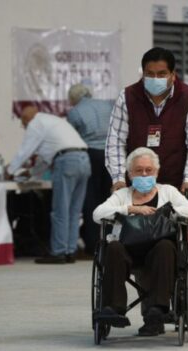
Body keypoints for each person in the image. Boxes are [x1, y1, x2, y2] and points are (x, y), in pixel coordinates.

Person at [93, 147, 188, 336]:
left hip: (160, 254)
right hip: (129, 250)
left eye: (148, 170)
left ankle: (157, 309)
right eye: (138, 170)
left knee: (166, 246)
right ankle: (114, 308)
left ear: (156, 172)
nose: (144, 174)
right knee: (113, 248)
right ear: (129, 174)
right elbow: (97, 214)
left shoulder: (168, 192)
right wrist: (130, 209)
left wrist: (169, 212)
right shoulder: (122, 195)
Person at [105, 47, 188, 196]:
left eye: (161, 74)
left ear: (173, 75)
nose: (155, 79)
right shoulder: (127, 97)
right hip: (135, 187)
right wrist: (118, 179)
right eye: (150, 74)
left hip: (176, 187)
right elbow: (115, 141)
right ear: (143, 74)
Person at [8, 106, 91, 264]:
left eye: (23, 122)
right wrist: (31, 173)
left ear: (27, 119)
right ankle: (70, 251)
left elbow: (25, 150)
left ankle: (59, 252)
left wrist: (11, 170)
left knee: (61, 210)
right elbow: (45, 159)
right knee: (74, 211)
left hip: (66, 162)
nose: (23, 126)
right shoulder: (54, 121)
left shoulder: (36, 123)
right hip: (84, 159)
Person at [67, 83, 114, 259]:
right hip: (110, 154)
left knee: (90, 200)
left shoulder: (75, 112)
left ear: (74, 99)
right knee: (110, 199)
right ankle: (111, 241)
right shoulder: (107, 105)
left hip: (90, 154)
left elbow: (71, 137)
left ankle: (93, 243)